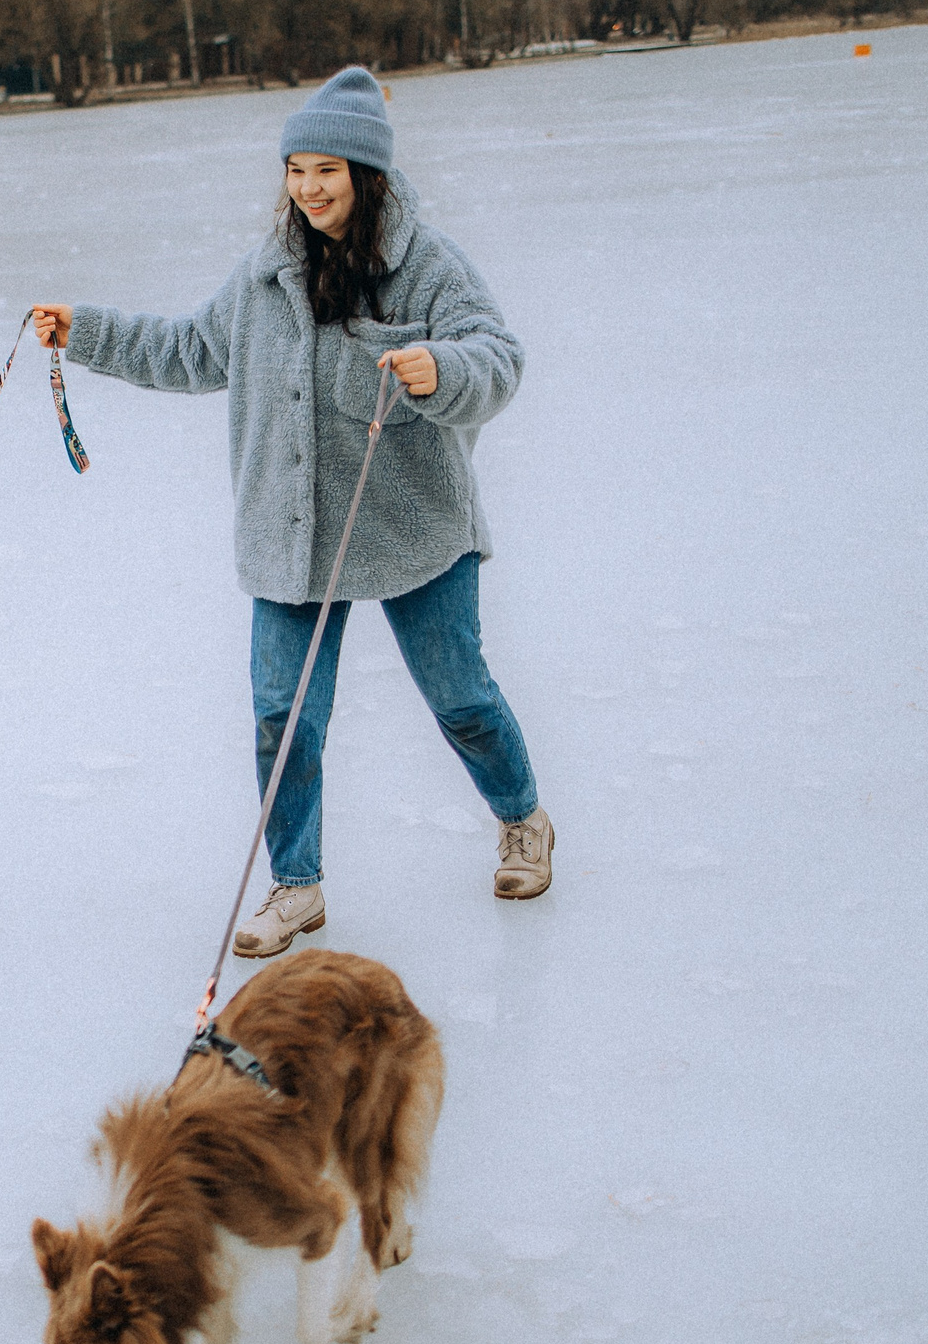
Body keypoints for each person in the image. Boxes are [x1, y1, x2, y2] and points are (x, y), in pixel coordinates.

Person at [32, 65, 549, 959]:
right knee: (284, 718)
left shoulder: (427, 263)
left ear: (366, 175)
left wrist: (442, 368)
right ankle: (297, 883)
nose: (309, 189)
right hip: (292, 535)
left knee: (461, 696)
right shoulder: (267, 272)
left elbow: (497, 356)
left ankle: (523, 819)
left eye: (327, 171)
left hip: (414, 527)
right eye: (296, 170)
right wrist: (88, 331)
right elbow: (192, 349)